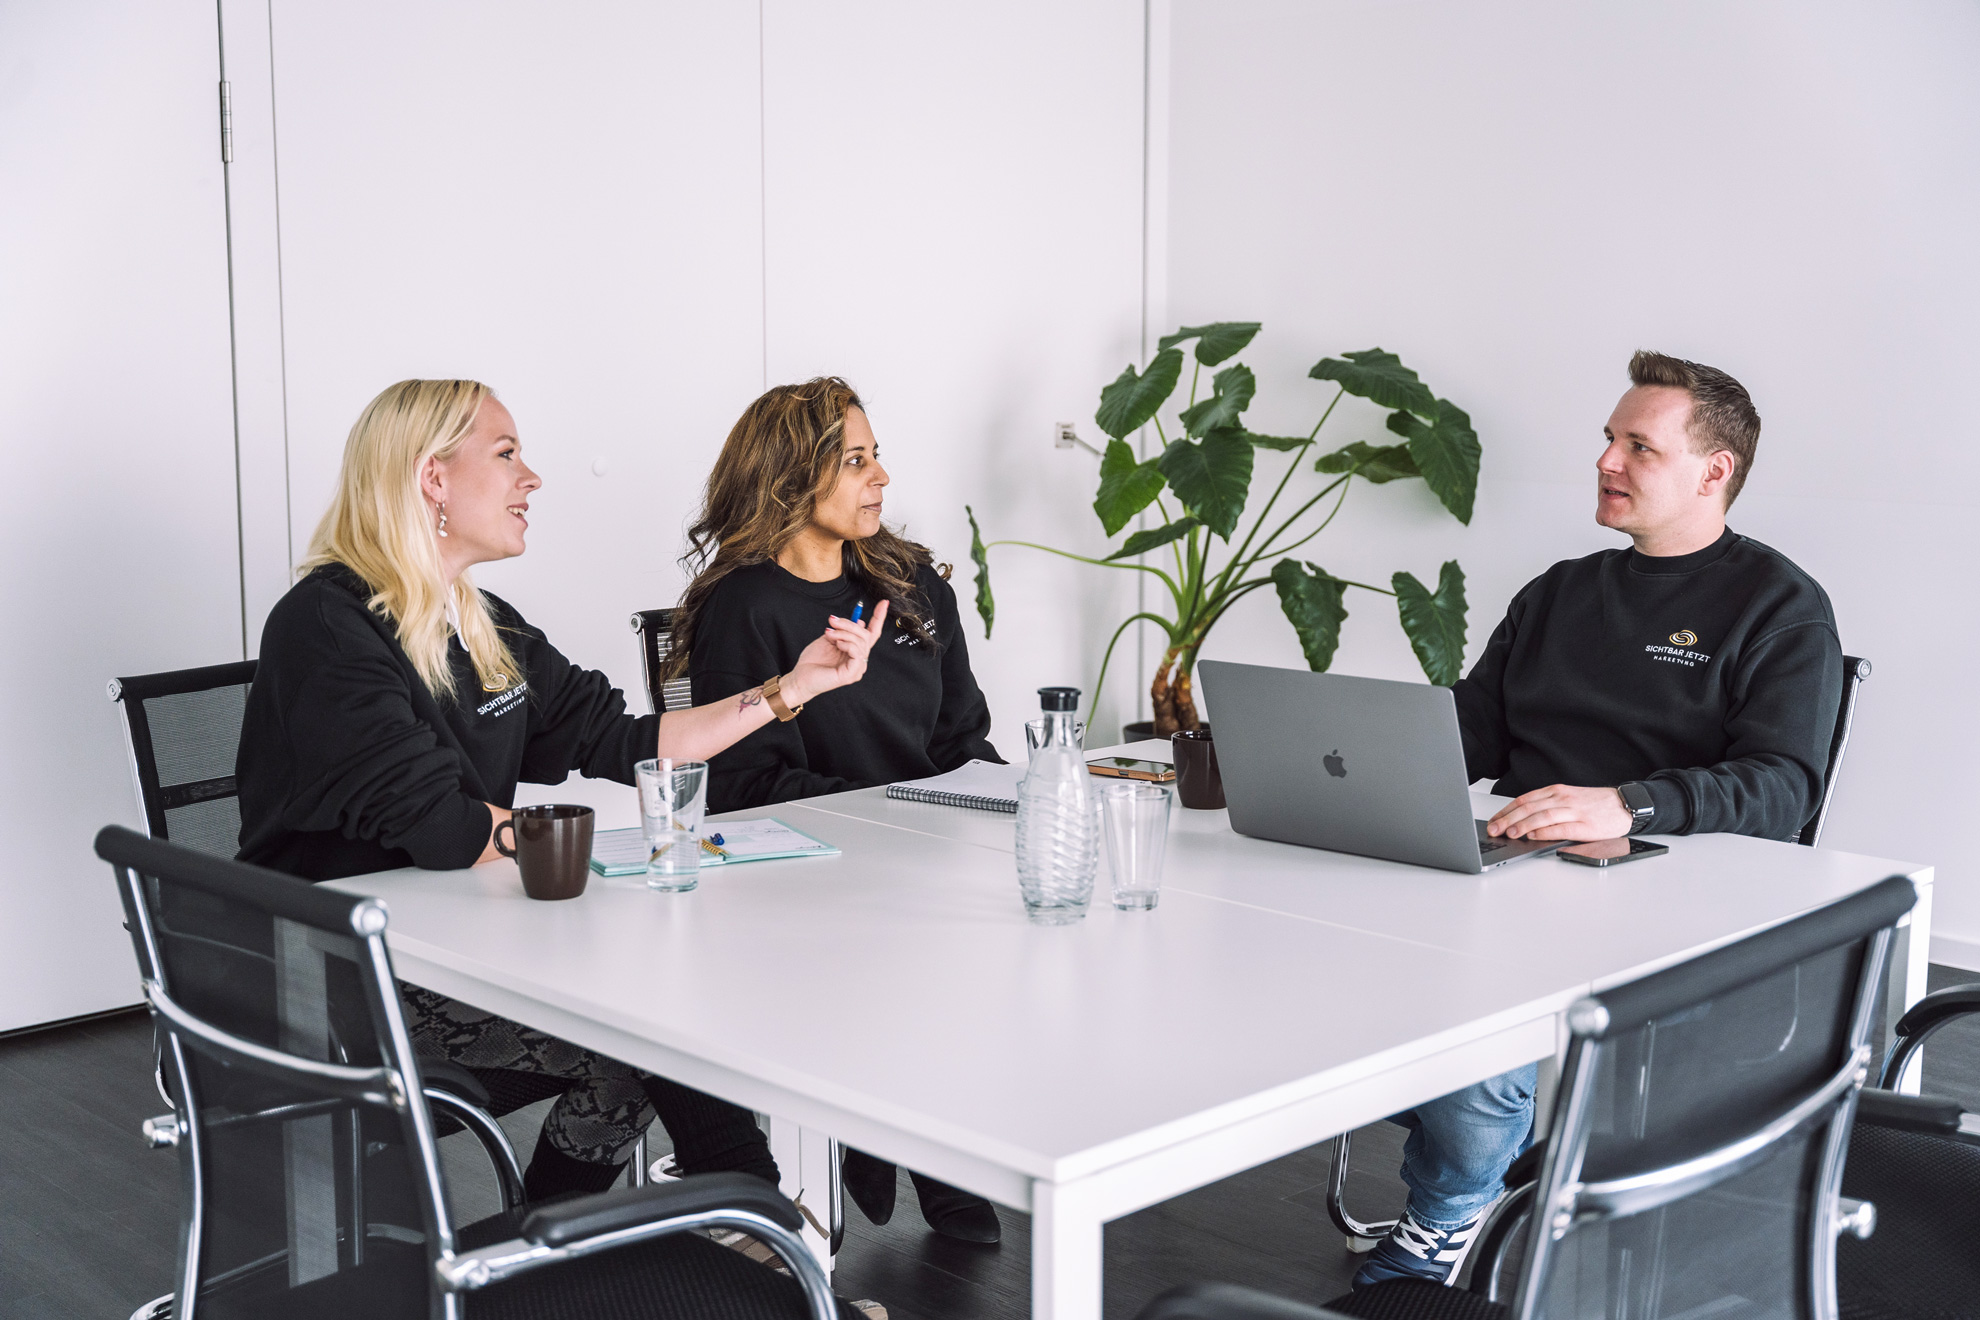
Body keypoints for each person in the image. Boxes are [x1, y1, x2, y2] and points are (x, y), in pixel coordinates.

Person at [236, 378, 887, 1203]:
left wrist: (791, 689)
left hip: (450, 942)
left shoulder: (481, 621)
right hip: (331, 976)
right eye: (506, 454)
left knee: (645, 1028)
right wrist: (613, 865)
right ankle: (750, 1229)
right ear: (432, 476)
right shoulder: (326, 624)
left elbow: (628, 740)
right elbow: (444, 827)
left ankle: (554, 1255)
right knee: (642, 1031)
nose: (531, 478)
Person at [1350, 351, 1844, 1289]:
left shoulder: (1781, 607)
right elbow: (1475, 732)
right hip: (1513, 864)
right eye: (1608, 440)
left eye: (1638, 447)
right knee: (1319, 941)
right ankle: (1493, 1161)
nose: (1607, 461)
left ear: (1713, 471)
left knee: (1477, 1008)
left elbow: (1784, 789)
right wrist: (1362, 754)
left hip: (1663, 885)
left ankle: (1450, 1211)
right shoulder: (1562, 591)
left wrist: (1628, 801)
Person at [663, 376, 1007, 1244]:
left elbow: (964, 731)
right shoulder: (744, 607)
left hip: (921, 847)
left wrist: (1001, 799)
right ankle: (909, 1135)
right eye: (855, 460)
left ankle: (918, 1133)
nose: (880, 476)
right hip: (810, 873)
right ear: (790, 477)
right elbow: (744, 789)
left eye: (876, 454)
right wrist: (903, 818)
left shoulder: (911, 580)